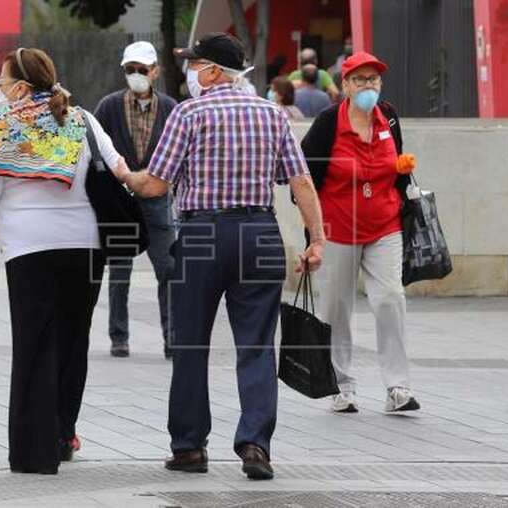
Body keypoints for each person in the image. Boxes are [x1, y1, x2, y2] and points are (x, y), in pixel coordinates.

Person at [114, 32, 325, 481]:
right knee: (256, 345)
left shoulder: (189, 114)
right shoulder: (271, 115)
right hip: (259, 232)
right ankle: (255, 443)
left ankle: (190, 447)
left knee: (191, 343)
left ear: (213, 71)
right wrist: (316, 239)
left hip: (202, 234)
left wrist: (124, 174)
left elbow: (156, 185)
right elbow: (301, 182)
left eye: (194, 65)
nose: (189, 72)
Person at [0, 47, 128, 475]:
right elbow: (119, 168)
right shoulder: (83, 119)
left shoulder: (8, 124)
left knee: (35, 346)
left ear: (18, 87)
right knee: (73, 342)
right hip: (87, 246)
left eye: (0, 84)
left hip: (31, 249)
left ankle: (36, 452)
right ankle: (62, 433)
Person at [301, 51, 420, 414]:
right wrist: (313, 235)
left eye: (373, 80)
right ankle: (341, 385)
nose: (367, 86)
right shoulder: (327, 123)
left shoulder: (390, 118)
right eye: (359, 80)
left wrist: (402, 169)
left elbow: (397, 166)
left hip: (384, 225)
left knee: (389, 299)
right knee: (336, 307)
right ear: (345, 86)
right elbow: (305, 179)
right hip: (337, 227)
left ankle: (398, 387)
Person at [94, 41, 178, 359]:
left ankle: (172, 337)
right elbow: (97, 150)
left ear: (155, 71)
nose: (136, 75)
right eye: (130, 70)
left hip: (157, 200)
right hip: (121, 203)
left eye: (141, 70)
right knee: (119, 272)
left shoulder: (170, 108)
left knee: (168, 268)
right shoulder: (109, 106)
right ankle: (119, 337)